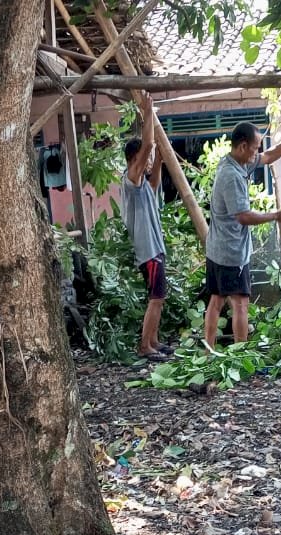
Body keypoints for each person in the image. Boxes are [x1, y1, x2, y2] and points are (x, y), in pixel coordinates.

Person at [203, 121, 281, 349]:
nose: (257, 152)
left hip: (216, 249)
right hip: (230, 252)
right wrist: (275, 216)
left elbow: (269, 156)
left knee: (216, 301)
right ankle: (240, 356)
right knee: (240, 305)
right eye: (255, 147)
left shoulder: (235, 162)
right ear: (243, 146)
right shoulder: (232, 176)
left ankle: (208, 350)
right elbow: (243, 216)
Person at [122, 91, 171, 360]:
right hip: (148, 251)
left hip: (155, 249)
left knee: (159, 296)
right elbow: (149, 146)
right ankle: (145, 345)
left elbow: (154, 183)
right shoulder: (131, 179)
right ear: (135, 158)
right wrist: (148, 113)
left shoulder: (144, 187)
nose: (149, 162)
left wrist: (161, 158)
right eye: (145, 158)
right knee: (156, 298)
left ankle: (154, 340)